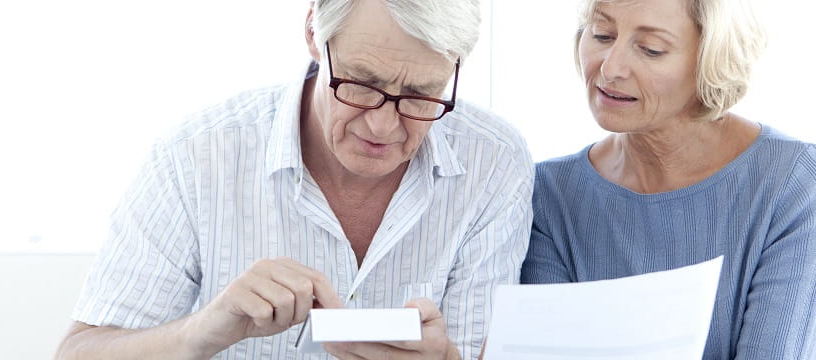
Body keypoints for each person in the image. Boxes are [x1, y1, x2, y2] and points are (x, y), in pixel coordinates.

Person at [54, 0, 533, 359]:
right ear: (312, 33)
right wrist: (202, 331)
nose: (383, 126)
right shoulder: (196, 157)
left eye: (421, 94)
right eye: (361, 84)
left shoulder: (494, 163)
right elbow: (78, 352)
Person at [520, 0, 816, 358]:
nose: (610, 68)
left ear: (712, 61)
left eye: (650, 49)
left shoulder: (793, 183)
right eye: (602, 34)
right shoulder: (549, 194)